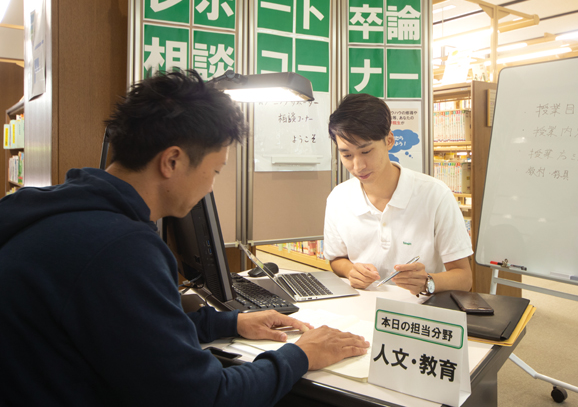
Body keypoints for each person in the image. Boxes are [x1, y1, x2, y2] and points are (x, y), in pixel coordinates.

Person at [0, 70, 368, 407]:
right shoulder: (120, 250)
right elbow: (207, 398)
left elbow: (130, 331)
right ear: (172, 161)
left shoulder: (59, 212)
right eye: (214, 171)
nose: (211, 186)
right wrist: (301, 354)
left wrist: (229, 323)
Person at [323, 93, 473, 296]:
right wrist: (351, 271)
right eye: (347, 155)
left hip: (419, 314)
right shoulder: (338, 198)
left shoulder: (435, 196)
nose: (358, 166)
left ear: (389, 140)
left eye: (366, 152)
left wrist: (428, 281)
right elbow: (336, 259)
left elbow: (464, 277)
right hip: (361, 309)